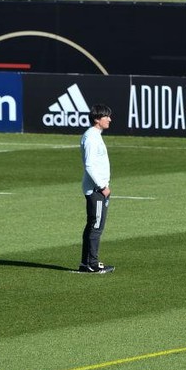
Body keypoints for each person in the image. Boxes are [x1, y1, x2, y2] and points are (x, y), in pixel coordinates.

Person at [79, 103, 115, 274]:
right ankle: (92, 264)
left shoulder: (94, 135)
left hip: (96, 189)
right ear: (96, 119)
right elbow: (90, 165)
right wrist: (102, 187)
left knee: (92, 225)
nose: (109, 119)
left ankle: (86, 263)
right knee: (96, 227)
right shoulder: (91, 137)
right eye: (106, 116)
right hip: (96, 190)